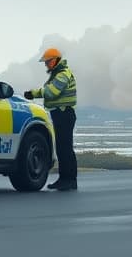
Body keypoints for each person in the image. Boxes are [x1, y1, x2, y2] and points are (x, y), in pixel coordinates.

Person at [24, 47, 77, 191]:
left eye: (48, 62)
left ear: (55, 61)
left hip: (63, 113)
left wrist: (33, 93)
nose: (46, 65)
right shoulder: (58, 73)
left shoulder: (62, 74)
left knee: (64, 148)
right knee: (63, 147)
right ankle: (66, 179)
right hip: (61, 113)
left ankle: (68, 180)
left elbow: (52, 92)